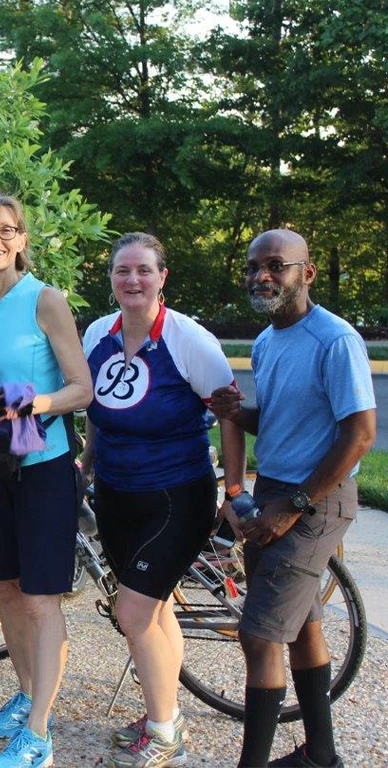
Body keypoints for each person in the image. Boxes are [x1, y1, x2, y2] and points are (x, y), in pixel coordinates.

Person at [210, 229, 376, 768]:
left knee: (258, 638)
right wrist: (237, 414)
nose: (262, 275)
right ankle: (321, 756)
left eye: (276, 265)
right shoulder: (266, 341)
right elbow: (280, 423)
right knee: (302, 629)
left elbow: (360, 435)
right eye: (254, 267)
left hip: (314, 501)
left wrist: (294, 505)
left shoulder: (335, 339)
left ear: (306, 273)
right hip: (277, 493)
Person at [81, 232, 246, 768]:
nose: (132, 280)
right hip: (115, 494)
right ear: (111, 278)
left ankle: (163, 734)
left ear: (161, 277)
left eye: (143, 271)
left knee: (132, 610)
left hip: (176, 495)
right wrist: (86, 463)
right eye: (122, 271)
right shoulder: (96, 334)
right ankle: (166, 711)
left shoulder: (188, 338)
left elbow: (230, 413)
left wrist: (235, 488)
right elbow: (93, 409)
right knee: (153, 612)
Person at [0, 193, 93, 768]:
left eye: (6, 230)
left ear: (23, 241)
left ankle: (39, 735)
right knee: (6, 587)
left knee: (39, 600)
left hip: (44, 467)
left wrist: (32, 404)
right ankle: (28, 693)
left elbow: (83, 388)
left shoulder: (46, 301)